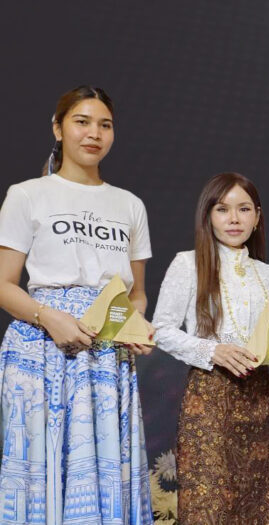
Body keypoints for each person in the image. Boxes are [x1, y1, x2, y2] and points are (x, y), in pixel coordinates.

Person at [0, 85, 153, 523]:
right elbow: (4, 284)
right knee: (42, 471)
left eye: (105, 125)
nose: (94, 134)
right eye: (82, 122)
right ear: (58, 128)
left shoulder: (130, 205)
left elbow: (136, 293)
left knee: (104, 474)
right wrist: (50, 318)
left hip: (106, 355)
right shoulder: (27, 194)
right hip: (42, 348)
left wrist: (133, 325)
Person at [151, 172, 269, 523]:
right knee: (209, 504)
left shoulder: (267, 274)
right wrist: (212, 351)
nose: (234, 219)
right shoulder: (187, 263)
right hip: (210, 398)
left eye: (244, 209)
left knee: (257, 503)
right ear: (208, 216)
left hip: (262, 399)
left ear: (257, 217)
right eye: (222, 209)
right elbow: (161, 330)